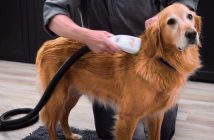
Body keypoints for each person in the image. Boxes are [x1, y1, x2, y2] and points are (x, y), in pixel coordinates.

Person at [43, 0, 199, 139]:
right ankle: (53, 131)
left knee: (164, 131)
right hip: (102, 58)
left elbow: (185, 2)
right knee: (118, 129)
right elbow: (53, 10)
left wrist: (164, 17)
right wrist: (86, 35)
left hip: (153, 50)